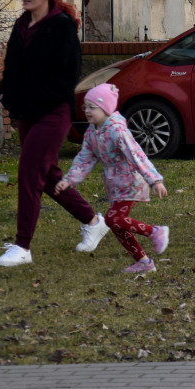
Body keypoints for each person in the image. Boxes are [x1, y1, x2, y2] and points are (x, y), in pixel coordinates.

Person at [0, 0, 110, 267]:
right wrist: (6, 93)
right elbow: (12, 67)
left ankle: (22, 247)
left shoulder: (61, 27)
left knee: (29, 174)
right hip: (27, 113)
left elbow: (66, 77)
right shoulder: (21, 25)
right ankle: (92, 220)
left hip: (53, 113)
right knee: (46, 177)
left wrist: (35, 99)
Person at [55, 84, 170, 273]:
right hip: (115, 186)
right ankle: (144, 262)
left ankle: (155, 232)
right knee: (117, 224)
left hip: (131, 183)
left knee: (112, 218)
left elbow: (137, 155)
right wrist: (70, 179)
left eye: (93, 107)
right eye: (85, 107)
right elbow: (86, 157)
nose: (87, 111)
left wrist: (155, 179)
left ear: (106, 108)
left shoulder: (117, 130)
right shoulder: (93, 131)